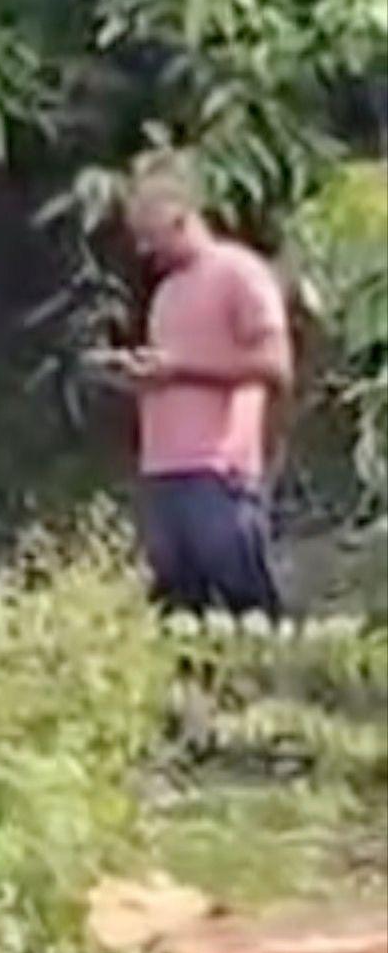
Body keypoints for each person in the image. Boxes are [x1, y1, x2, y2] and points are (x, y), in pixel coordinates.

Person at [94, 151, 295, 618]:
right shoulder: (168, 292)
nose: (146, 251)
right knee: (180, 619)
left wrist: (179, 367)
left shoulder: (240, 273)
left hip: (218, 470)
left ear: (183, 219)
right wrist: (136, 374)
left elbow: (275, 365)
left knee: (245, 614)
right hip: (164, 472)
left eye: (153, 237)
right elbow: (174, 371)